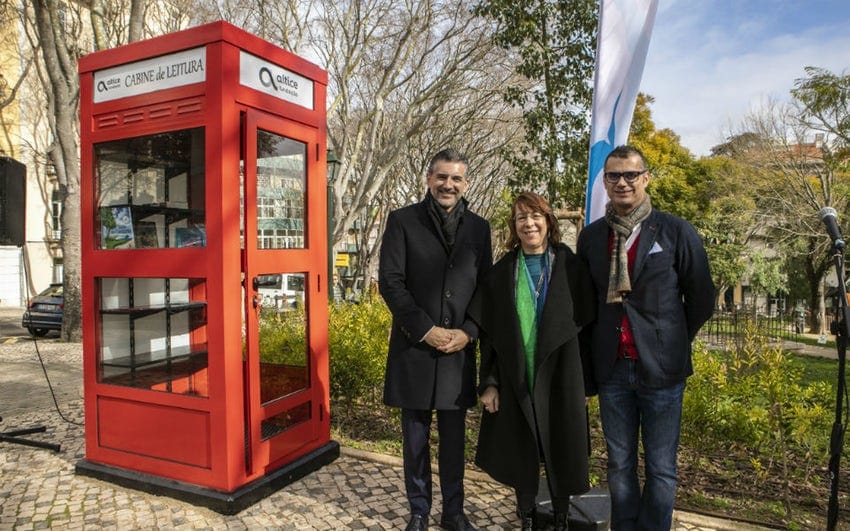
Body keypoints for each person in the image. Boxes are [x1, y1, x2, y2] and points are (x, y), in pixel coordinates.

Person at [576, 145, 715, 530]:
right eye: (614, 176)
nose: (622, 182)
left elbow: (701, 297)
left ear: (645, 178)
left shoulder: (675, 231)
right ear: (604, 182)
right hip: (613, 370)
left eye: (630, 175)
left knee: (661, 467)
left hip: (662, 372)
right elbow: (586, 305)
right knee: (618, 463)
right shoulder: (590, 238)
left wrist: (670, 339)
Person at [378, 148, 493, 531]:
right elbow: (390, 282)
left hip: (458, 352)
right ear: (429, 179)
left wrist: (469, 332)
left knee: (454, 442)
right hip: (415, 349)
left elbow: (486, 288)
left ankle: (454, 512)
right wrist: (426, 329)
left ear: (466, 183)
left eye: (456, 178)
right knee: (414, 441)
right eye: (442, 177)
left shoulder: (480, 228)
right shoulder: (401, 221)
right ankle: (419, 511)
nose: (449, 185)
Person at [468, 192, 596, 531]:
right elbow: (489, 337)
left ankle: (560, 516)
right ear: (514, 225)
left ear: (549, 221)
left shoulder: (571, 267)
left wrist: (587, 383)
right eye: (522, 217)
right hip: (515, 375)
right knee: (521, 447)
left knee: (562, 446)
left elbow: (586, 332)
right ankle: (525, 514)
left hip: (562, 375)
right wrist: (490, 383)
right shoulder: (500, 274)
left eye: (536, 215)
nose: (529, 223)